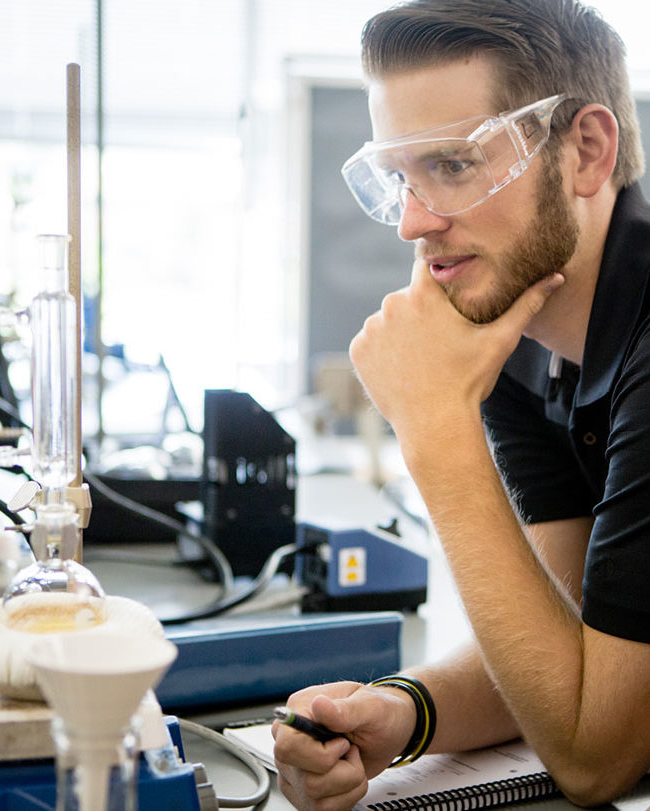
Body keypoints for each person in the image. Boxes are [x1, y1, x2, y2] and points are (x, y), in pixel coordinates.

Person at [272, 0, 650, 808]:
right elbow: (562, 653)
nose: (413, 221)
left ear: (587, 151)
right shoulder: (516, 341)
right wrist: (404, 710)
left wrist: (434, 426)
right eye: (401, 178)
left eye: (452, 164)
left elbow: (597, 754)